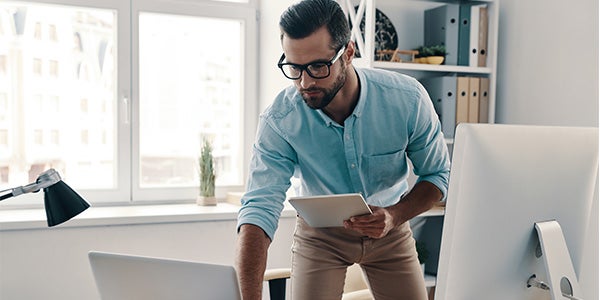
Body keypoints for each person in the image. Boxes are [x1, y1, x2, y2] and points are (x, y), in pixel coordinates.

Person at [235, 0, 450, 299]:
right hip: (320, 236)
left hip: (391, 227)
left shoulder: (407, 100)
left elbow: (437, 175)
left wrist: (393, 215)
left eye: (318, 67)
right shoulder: (281, 119)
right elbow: (259, 208)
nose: (305, 82)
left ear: (348, 53)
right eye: (294, 68)